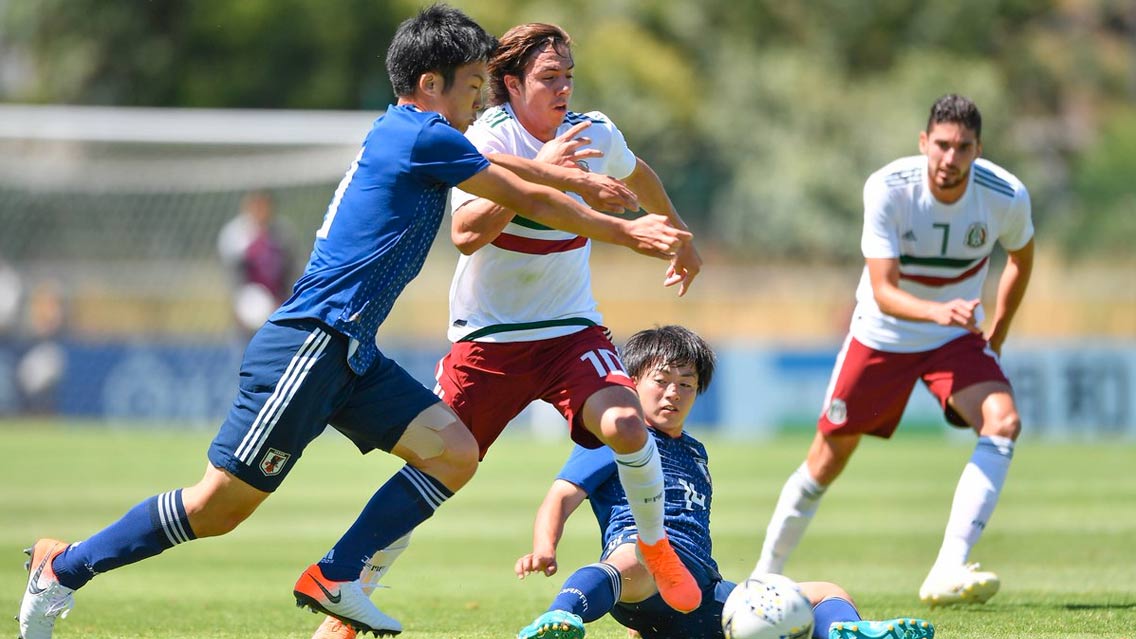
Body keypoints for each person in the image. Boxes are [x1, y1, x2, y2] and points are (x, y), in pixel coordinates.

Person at [16, 6, 693, 639]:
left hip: (350, 351)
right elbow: (517, 189)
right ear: (430, 85)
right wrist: (627, 229)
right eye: (470, 89)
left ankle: (338, 572)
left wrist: (574, 185)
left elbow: (509, 170)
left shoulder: (426, 136)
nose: (477, 104)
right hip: (310, 341)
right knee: (218, 507)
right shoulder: (418, 131)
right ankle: (64, 566)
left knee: (453, 450)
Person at [308, 22, 705, 639]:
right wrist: (544, 172)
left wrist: (678, 234)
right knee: (435, 465)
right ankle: (351, 594)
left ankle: (655, 546)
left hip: (570, 331)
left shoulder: (594, 132)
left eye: (568, 76)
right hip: (487, 339)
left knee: (628, 423)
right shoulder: (489, 135)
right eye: (549, 77)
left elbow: (640, 174)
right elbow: (466, 232)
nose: (563, 88)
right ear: (511, 85)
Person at [752, 94, 1034, 609]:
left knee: (1004, 420)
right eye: (942, 145)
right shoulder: (888, 188)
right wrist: (939, 311)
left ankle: (949, 565)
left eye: (963, 148)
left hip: (952, 338)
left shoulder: (1005, 195)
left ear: (978, 149)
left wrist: (999, 330)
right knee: (826, 460)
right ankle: (759, 579)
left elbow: (1021, 255)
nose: (951, 158)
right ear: (924, 143)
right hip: (882, 335)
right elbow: (883, 289)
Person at [513, 326, 934, 639]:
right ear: (632, 383)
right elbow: (562, 495)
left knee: (825, 591)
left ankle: (846, 632)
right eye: (660, 382)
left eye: (686, 385)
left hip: (704, 592)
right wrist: (545, 548)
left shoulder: (697, 453)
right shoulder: (618, 435)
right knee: (634, 556)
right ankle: (563, 615)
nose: (672, 393)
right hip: (643, 570)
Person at [217, 190, 299, 338]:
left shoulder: (282, 234)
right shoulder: (235, 235)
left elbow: (290, 271)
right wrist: (238, 305)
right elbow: (234, 276)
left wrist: (286, 301)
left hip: (278, 304)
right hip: (249, 304)